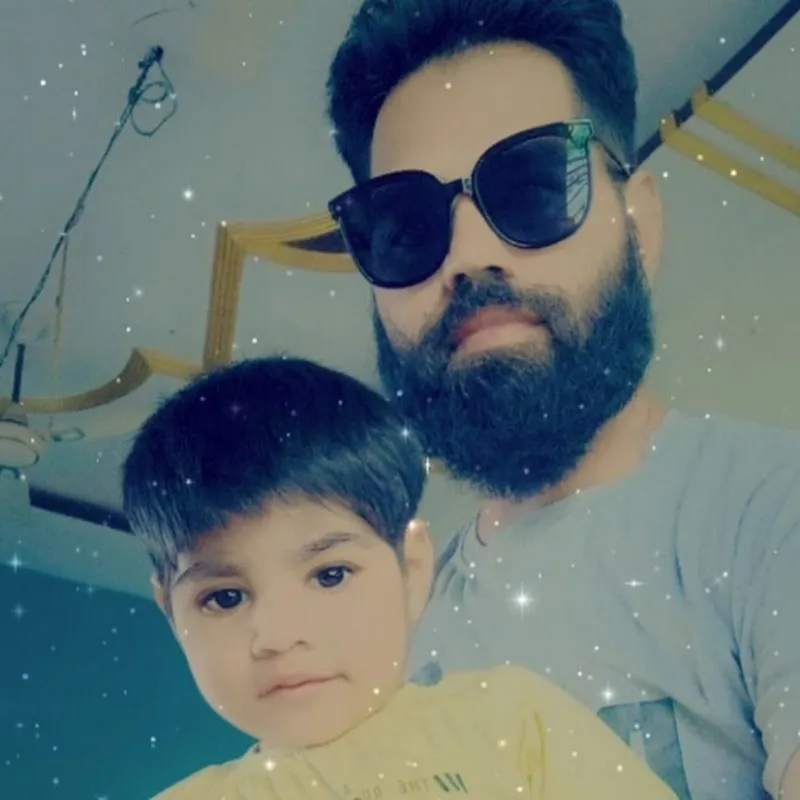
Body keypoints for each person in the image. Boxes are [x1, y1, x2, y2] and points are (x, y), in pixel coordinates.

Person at [323, 1, 800, 798]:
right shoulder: (391, 635)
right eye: (405, 226)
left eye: (535, 185)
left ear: (640, 224)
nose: (468, 254)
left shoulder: (775, 514)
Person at [122, 357, 675, 799]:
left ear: (412, 569)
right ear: (172, 614)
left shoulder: (511, 718)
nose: (279, 635)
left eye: (330, 575)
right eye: (224, 598)